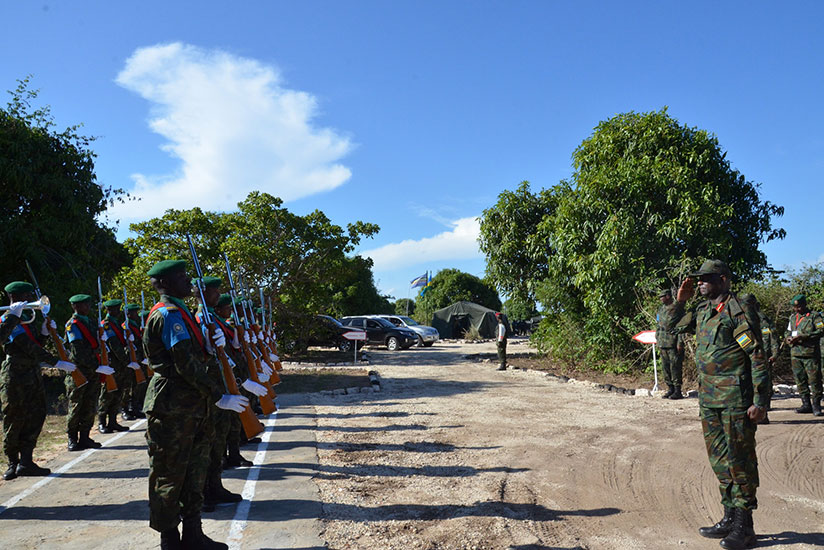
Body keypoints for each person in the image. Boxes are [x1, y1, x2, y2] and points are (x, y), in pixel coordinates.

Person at [142, 259, 248, 550]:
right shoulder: (168, 315)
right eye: (181, 276)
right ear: (165, 283)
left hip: (193, 405)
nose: (189, 281)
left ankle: (193, 533)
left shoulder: (182, 312)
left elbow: (195, 357)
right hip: (171, 406)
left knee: (195, 472)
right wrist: (218, 395)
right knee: (169, 475)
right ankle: (169, 540)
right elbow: (185, 364)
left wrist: (210, 348)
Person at [673, 260, 769, 549]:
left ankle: (745, 526)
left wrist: (760, 400)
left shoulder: (737, 311)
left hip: (735, 401)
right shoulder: (703, 310)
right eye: (699, 279)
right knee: (719, 461)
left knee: (740, 462)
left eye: (706, 278)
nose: (700, 283)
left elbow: (757, 356)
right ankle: (729, 517)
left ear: (724, 279)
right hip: (709, 399)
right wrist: (680, 302)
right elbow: (673, 327)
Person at [0, 281, 77, 479]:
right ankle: (12, 462)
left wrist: (44, 332)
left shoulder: (26, 318)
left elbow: (36, 345)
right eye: (26, 295)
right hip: (15, 374)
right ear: (14, 297)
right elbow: (26, 346)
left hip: (32, 372)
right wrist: (56, 362)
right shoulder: (7, 318)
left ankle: (26, 461)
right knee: (14, 417)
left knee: (35, 414)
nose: (30, 299)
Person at [64, 294, 111, 452]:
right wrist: (96, 366)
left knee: (90, 404)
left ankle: (85, 436)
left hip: (93, 371)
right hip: (79, 370)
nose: (88, 307)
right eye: (84, 304)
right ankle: (72, 438)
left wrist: (102, 340)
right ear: (75, 307)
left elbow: (97, 346)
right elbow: (78, 352)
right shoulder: (72, 325)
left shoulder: (91, 322)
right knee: (76, 405)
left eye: (88, 304)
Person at [740, 294, 780, 424]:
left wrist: (774, 355)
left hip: (763, 359)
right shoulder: (738, 319)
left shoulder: (764, 321)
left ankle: (763, 412)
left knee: (763, 385)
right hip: (744, 359)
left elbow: (774, 339)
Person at [784, 294, 824, 416]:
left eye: (799, 307)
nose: (797, 309)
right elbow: (788, 331)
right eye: (795, 307)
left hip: (810, 354)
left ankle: (816, 405)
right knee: (800, 380)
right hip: (795, 354)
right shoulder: (792, 318)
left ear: (804, 305)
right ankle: (806, 404)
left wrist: (803, 337)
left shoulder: (814, 316)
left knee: (814, 380)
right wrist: (788, 338)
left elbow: (821, 330)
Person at [97, 299, 130, 433]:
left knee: (118, 393)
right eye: (115, 309)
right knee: (107, 393)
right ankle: (101, 422)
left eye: (118, 308)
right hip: (111, 363)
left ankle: (112, 421)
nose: (118, 311)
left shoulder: (116, 323)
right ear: (109, 310)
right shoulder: (106, 325)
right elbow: (114, 345)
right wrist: (126, 360)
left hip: (119, 364)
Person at [655, 289, 685, 399]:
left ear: (668, 296)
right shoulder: (661, 309)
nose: (661, 299)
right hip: (663, 342)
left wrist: (680, 342)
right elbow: (658, 325)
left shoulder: (676, 308)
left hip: (673, 342)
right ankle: (670, 388)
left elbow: (681, 326)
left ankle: (677, 390)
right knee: (665, 367)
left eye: (662, 296)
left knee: (675, 366)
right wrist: (657, 338)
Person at [122, 303, 148, 420]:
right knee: (128, 386)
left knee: (138, 384)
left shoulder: (137, 325)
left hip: (139, 358)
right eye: (134, 313)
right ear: (128, 314)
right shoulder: (125, 326)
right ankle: (125, 409)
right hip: (130, 360)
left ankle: (135, 408)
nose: (136, 315)